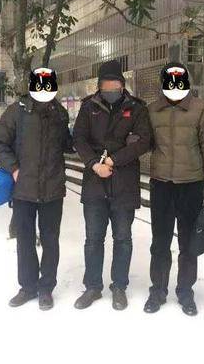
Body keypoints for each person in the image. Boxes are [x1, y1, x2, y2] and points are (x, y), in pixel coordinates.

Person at [0, 67, 73, 311]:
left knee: (50, 240)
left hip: (53, 189)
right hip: (23, 189)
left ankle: (46, 288)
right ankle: (27, 287)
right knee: (25, 240)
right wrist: (14, 168)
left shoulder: (59, 113)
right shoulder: (17, 111)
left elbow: (66, 144)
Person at [73, 60, 152, 311]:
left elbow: (143, 142)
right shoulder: (88, 107)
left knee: (123, 238)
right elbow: (79, 139)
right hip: (95, 183)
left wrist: (114, 160)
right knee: (93, 239)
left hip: (124, 184)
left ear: (122, 84)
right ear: (99, 86)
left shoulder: (137, 108)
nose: (110, 89)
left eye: (114, 85)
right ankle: (92, 287)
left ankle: (119, 287)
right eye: (105, 86)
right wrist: (94, 164)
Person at [144, 62, 204, 316]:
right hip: (161, 185)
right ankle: (157, 291)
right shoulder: (152, 110)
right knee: (160, 242)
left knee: (188, 243)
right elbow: (145, 142)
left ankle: (186, 292)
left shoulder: (202, 109)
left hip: (191, 185)